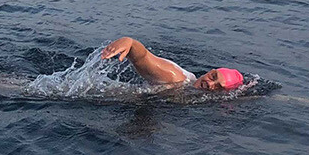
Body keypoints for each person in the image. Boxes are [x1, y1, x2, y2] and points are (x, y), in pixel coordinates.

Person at [100, 37, 244, 91]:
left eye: (218, 87)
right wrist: (130, 43)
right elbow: (143, 58)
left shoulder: (190, 88)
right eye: (213, 77)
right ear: (210, 71)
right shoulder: (176, 77)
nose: (210, 84)